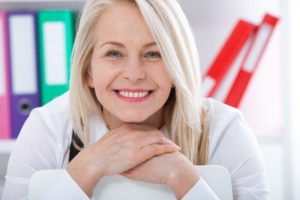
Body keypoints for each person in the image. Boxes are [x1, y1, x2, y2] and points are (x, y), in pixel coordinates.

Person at [1, 0, 269, 199]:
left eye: (153, 54)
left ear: (177, 67)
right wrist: (88, 167)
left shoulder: (224, 129)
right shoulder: (47, 128)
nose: (134, 74)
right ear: (87, 71)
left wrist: (183, 179)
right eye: (114, 54)